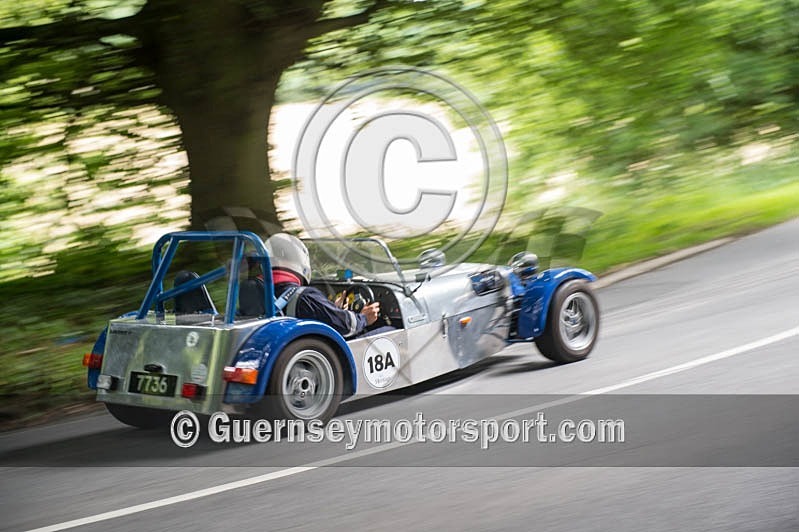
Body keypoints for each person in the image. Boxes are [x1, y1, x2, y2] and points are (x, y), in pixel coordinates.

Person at [264, 233, 382, 338]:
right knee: (389, 330)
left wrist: (332, 308)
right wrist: (365, 318)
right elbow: (346, 325)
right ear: (299, 259)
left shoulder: (257, 290)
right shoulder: (305, 297)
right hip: (312, 354)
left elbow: (324, 315)